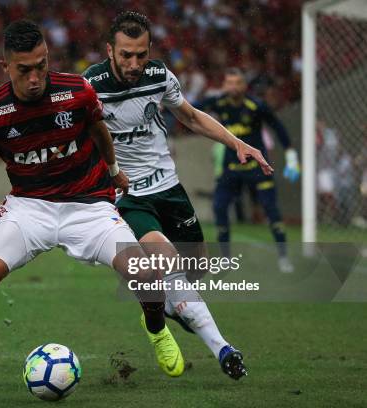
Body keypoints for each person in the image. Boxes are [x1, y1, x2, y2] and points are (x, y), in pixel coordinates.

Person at [0, 20, 184, 397]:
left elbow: (99, 132)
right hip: (30, 208)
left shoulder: (76, 91)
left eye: (41, 65)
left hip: (88, 205)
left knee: (143, 273)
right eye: (24, 69)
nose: (35, 77)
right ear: (5, 67)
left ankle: (156, 328)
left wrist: (113, 170)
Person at [83, 11, 274, 380]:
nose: (134, 63)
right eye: (126, 55)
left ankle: (168, 308)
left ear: (149, 49)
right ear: (110, 50)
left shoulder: (158, 76)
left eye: (141, 54)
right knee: (167, 262)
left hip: (169, 188)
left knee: (195, 269)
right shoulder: (90, 87)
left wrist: (236, 142)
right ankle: (223, 349)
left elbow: (189, 115)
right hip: (128, 195)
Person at [198, 68, 300, 273]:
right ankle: (225, 258)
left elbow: (278, 128)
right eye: (229, 83)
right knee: (219, 208)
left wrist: (291, 156)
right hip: (230, 167)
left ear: (244, 86)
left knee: (271, 210)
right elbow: (191, 109)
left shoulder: (257, 106)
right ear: (224, 85)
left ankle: (283, 258)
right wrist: (166, 103)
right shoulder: (219, 103)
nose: (233, 87)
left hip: (257, 167)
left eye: (237, 83)